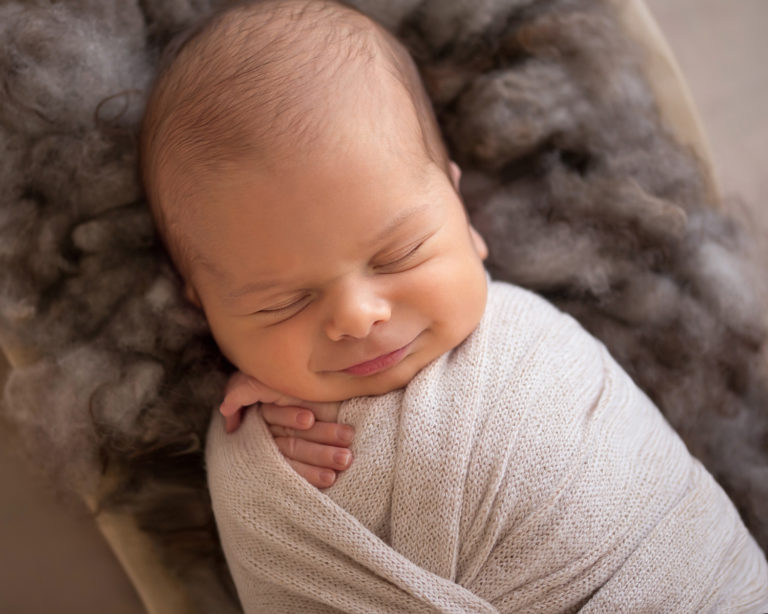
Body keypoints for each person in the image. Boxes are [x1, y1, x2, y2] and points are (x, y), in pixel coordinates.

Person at [140, 0, 768, 610]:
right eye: (283, 302)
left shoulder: (531, 341)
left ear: (463, 216)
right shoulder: (265, 454)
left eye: (399, 254)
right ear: (205, 310)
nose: (358, 316)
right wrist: (253, 463)